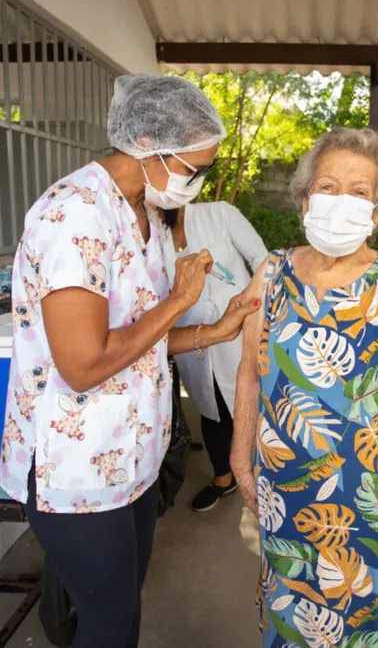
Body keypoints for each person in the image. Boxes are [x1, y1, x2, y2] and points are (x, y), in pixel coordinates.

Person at [0, 74, 259, 648]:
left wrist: (217, 327)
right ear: (150, 148)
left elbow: (141, 342)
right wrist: (179, 302)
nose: (199, 181)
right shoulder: (75, 216)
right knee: (108, 622)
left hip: (132, 458)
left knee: (120, 607)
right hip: (78, 468)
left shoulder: (145, 214)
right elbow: (83, 365)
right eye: (197, 168)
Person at [231, 128, 378, 648]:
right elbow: (250, 374)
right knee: (290, 613)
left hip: (369, 504)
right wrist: (239, 458)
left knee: (363, 622)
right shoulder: (270, 273)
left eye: (360, 192)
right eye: (328, 185)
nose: (342, 200)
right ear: (304, 198)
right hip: (285, 497)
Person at [164, 201, 267, 511]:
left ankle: (268, 476)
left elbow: (261, 258)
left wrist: (248, 303)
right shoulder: (150, 237)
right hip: (190, 337)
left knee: (254, 402)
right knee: (212, 408)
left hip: (240, 329)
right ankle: (224, 478)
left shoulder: (219, 213)